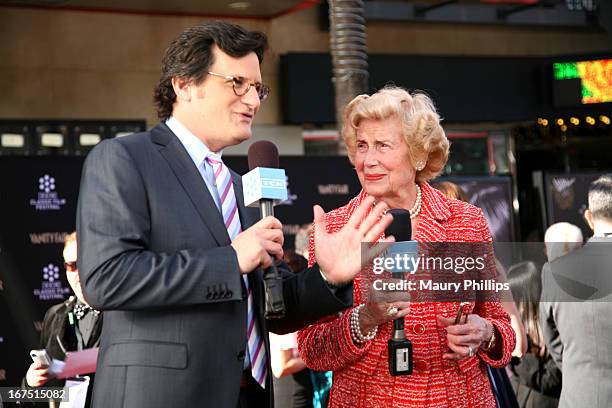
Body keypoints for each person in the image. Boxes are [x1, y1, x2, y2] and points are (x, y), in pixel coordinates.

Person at [76, 21, 394, 408]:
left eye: (258, 88)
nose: (253, 100)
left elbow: (273, 309)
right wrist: (231, 260)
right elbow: (106, 279)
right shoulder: (124, 159)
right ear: (184, 85)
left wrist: (327, 276)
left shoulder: (239, 185)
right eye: (237, 84)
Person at [298, 86, 515, 407]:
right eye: (361, 146)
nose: (368, 160)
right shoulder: (333, 229)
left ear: (419, 154)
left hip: (460, 398)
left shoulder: (466, 221)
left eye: (382, 145)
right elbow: (312, 350)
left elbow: (502, 329)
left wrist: (485, 333)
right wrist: (365, 319)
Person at [539, 174, 612, 408]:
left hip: (581, 397)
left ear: (589, 218)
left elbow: (552, 339)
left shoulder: (554, 272)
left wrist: (577, 368)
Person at [23, 232, 103, 407]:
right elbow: (36, 396)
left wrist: (62, 367)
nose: (78, 273)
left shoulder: (122, 314)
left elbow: (110, 358)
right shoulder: (54, 315)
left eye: (83, 263)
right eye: (71, 265)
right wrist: (30, 382)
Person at [507, 261, 561, 408]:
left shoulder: (554, 331)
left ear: (523, 303)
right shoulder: (521, 333)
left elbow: (551, 380)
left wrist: (518, 356)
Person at [270, 250, 314, 408]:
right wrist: (314, 357)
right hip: (290, 395)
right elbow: (281, 366)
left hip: (300, 391)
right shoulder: (282, 314)